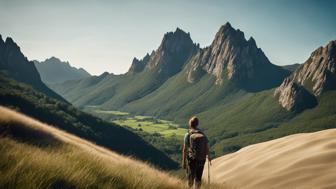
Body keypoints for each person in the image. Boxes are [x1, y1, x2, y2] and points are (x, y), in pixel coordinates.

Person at [182, 116, 211, 188]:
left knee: (190, 177)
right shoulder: (202, 134)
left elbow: (185, 149)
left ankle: (189, 187)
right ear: (197, 124)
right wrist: (209, 157)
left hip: (192, 159)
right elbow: (207, 147)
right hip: (202, 159)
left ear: (190, 124)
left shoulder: (188, 134)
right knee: (198, 178)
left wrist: (184, 162)